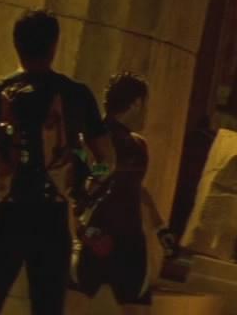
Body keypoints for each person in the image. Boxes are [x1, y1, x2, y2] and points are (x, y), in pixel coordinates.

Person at [0, 11, 111, 315]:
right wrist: (85, 192)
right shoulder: (76, 95)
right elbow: (107, 160)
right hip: (53, 217)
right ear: (54, 45)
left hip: (7, 215)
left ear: (15, 43)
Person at [68, 72, 173, 314]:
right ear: (136, 103)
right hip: (98, 238)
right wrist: (82, 229)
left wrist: (161, 228)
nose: (147, 112)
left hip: (125, 245)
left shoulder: (137, 145)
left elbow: (133, 187)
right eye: (146, 104)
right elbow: (80, 185)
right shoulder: (91, 141)